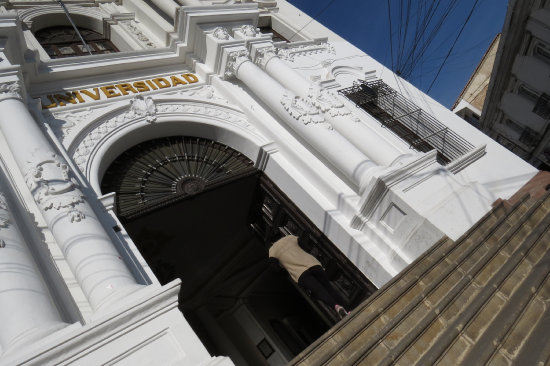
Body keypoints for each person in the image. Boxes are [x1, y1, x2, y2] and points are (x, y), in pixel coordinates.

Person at [268, 234, 349, 319]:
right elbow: (306, 247)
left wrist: (286, 269)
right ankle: (349, 310)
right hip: (313, 264)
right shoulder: (290, 237)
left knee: (319, 291)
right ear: (281, 236)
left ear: (272, 242)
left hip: (300, 273)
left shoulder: (272, 251)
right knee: (329, 288)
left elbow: (276, 268)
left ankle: (336, 307)